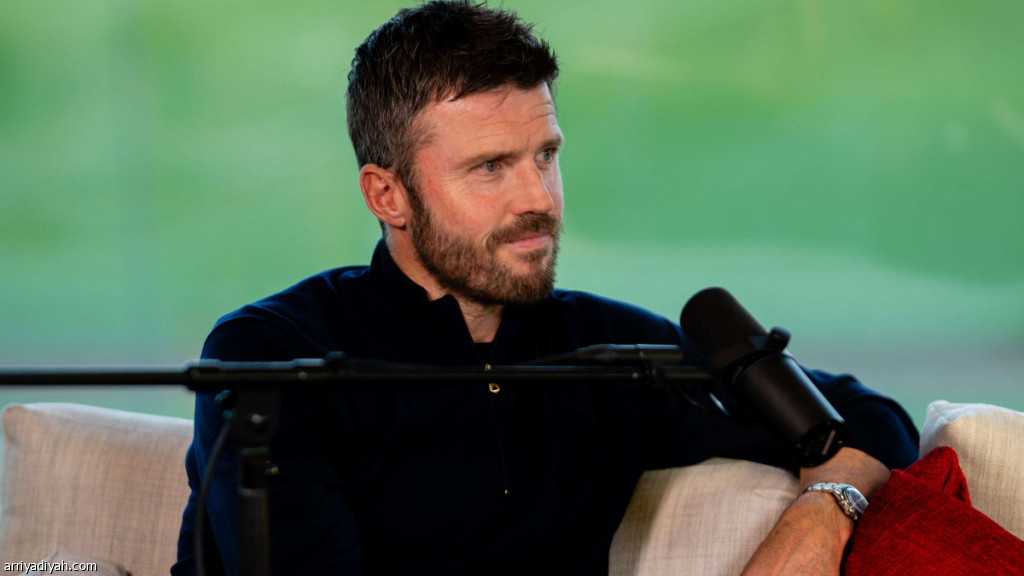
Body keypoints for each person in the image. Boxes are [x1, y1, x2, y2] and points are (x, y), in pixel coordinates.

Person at [172, 2, 918, 575]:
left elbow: (866, 417)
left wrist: (825, 509)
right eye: (490, 167)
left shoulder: (612, 352)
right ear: (387, 195)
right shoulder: (273, 357)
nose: (539, 198)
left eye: (546, 155)